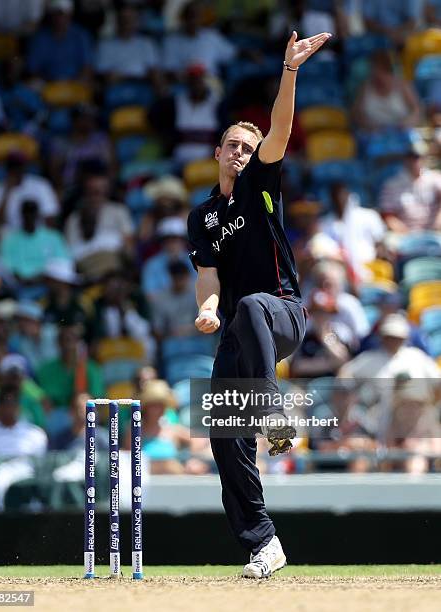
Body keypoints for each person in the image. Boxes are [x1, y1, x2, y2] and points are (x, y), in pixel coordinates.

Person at [187, 30, 331, 578]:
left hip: (282, 314)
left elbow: (281, 128)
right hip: (237, 330)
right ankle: (263, 542)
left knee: (249, 305)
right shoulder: (202, 217)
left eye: (249, 147)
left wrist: (289, 72)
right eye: (235, 146)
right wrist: (205, 309)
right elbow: (208, 276)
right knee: (223, 435)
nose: (243, 153)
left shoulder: (261, 185)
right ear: (218, 152)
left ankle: (272, 408)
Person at [0, 151, 60, 231]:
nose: (15, 170)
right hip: (10, 235)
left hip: (36, 233)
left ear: (24, 167)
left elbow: (50, 217)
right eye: (12, 166)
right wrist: (7, 192)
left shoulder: (40, 185)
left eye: (18, 166)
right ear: (7, 168)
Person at [379, 142, 441, 233]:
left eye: (419, 157)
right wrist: (404, 232)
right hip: (405, 234)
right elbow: (387, 215)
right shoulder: (392, 184)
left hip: (434, 231)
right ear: (406, 159)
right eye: (412, 157)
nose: (416, 161)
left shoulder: (435, 178)